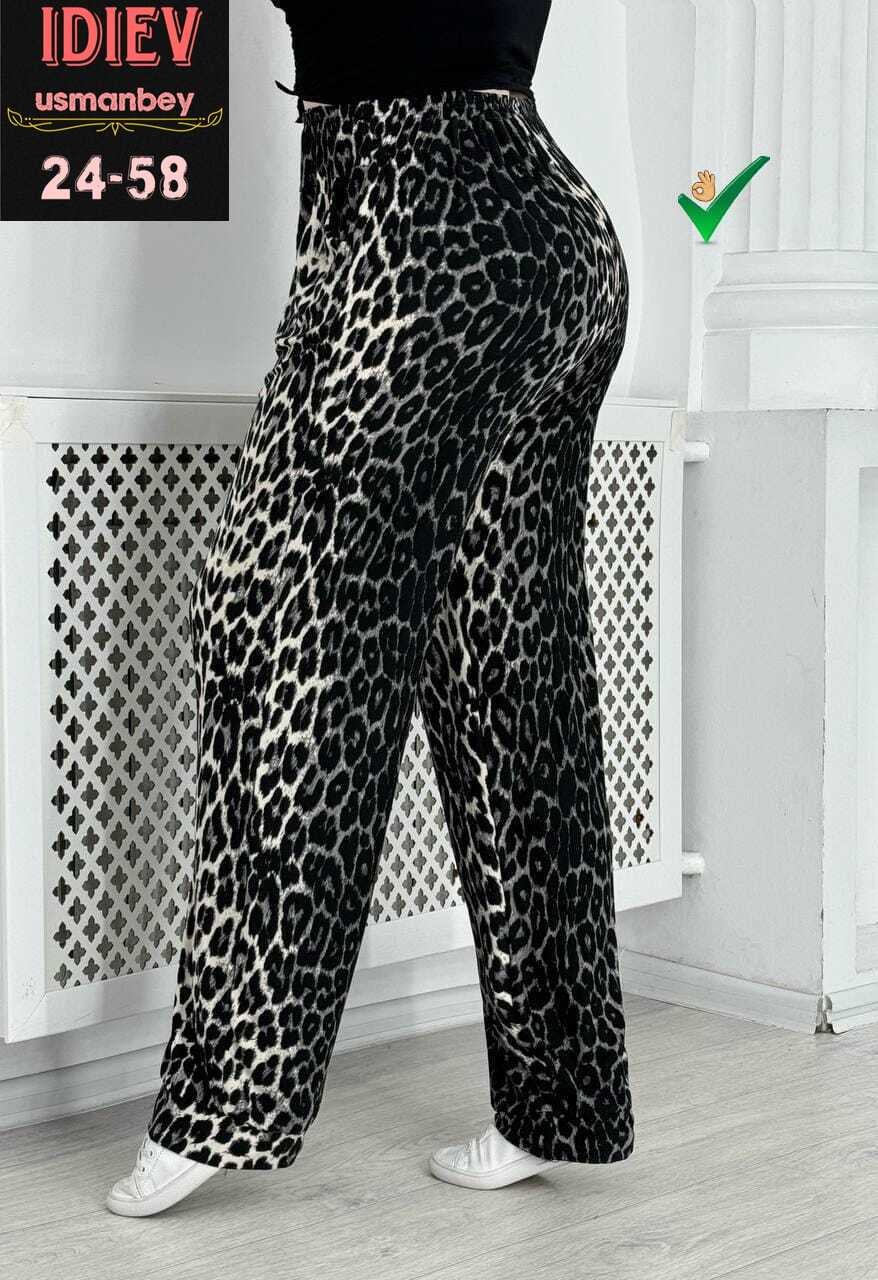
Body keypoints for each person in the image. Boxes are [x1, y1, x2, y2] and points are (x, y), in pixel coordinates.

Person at [106, 0, 635, 1217]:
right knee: (511, 673)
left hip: (412, 234)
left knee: (279, 633)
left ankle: (225, 1096)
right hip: (555, 238)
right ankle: (559, 1098)